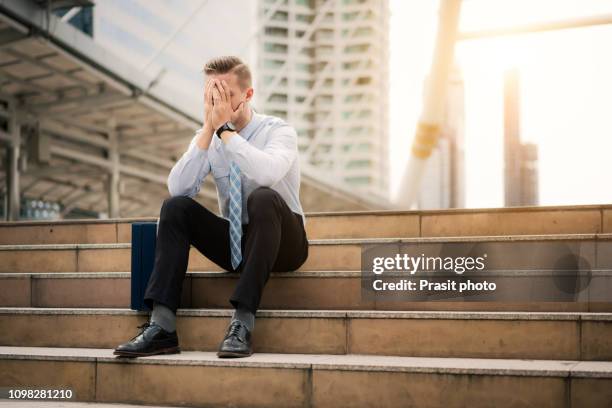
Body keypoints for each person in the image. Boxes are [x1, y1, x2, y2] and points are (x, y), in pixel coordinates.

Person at [113, 56, 309, 358]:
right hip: (236, 245)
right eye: (211, 95)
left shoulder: (279, 131)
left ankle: (242, 323)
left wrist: (226, 133)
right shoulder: (209, 135)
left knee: (263, 197)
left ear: (248, 95)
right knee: (175, 207)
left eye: (225, 95)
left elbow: (266, 174)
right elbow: (178, 188)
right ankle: (162, 326)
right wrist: (209, 130)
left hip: (285, 243)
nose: (217, 102)